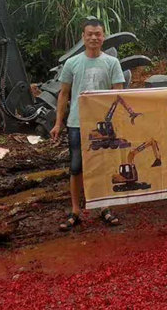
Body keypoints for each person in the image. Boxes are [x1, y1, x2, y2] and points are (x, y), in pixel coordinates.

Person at [51, 18, 126, 230]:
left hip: (104, 124)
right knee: (76, 167)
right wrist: (58, 123)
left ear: (103, 37)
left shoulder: (112, 63)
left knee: (104, 165)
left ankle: (105, 207)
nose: (94, 37)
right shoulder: (72, 63)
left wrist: (118, 123)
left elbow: (118, 94)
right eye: (89, 34)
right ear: (83, 37)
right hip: (76, 123)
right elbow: (64, 94)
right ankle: (75, 210)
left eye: (98, 34)